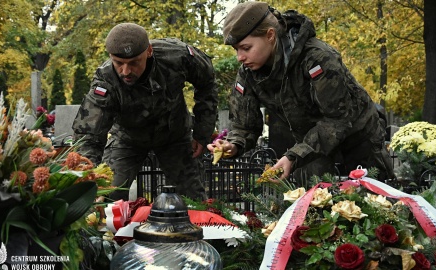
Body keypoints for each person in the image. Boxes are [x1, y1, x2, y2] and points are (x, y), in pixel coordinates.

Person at [207, 2, 394, 182]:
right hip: (310, 147)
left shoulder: (317, 58)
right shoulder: (249, 74)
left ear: (270, 35)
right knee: (311, 205)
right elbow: (244, 125)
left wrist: (294, 156)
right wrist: (233, 144)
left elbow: (337, 120)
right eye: (236, 49)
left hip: (359, 139)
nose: (240, 57)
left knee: (373, 203)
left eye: (246, 48)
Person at [73, 23, 218, 201]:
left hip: (175, 136)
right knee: (108, 195)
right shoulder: (105, 80)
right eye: (118, 63)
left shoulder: (176, 56)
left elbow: (207, 82)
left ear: (148, 51)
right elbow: (88, 134)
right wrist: (89, 176)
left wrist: (202, 133)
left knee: (193, 199)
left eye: (134, 63)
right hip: (128, 139)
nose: (125, 71)